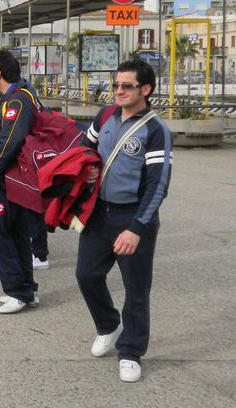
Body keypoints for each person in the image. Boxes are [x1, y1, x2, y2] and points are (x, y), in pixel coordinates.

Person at [75, 59, 172, 383]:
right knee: (87, 275)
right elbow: (84, 149)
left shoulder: (155, 130)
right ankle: (108, 325)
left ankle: (131, 352)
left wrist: (136, 228)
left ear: (145, 89)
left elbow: (158, 185)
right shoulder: (105, 116)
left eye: (126, 86)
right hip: (98, 214)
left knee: (136, 289)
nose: (118, 91)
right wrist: (88, 168)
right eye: (116, 85)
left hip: (132, 217)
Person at [0, 49, 39, 314]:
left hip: (5, 179)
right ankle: (27, 289)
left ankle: (18, 291)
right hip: (9, 178)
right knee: (16, 233)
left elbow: (10, 139)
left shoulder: (17, 100)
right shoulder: (14, 97)